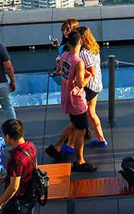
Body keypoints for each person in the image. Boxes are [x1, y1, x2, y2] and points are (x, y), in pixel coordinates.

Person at [44, 32, 98, 171]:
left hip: (66, 96)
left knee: (74, 124)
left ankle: (57, 146)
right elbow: (80, 84)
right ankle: (80, 161)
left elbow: (58, 70)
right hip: (77, 101)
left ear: (68, 43)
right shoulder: (79, 62)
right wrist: (89, 76)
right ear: (80, 43)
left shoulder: (64, 56)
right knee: (80, 130)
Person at [0, 119, 38, 214]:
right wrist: (7, 177)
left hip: (20, 199)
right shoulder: (31, 146)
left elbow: (14, 187)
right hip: (31, 193)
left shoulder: (16, 157)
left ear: (7, 136)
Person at [74, 27, 108, 147]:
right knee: (91, 112)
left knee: (77, 115)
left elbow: (91, 71)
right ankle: (100, 138)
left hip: (90, 86)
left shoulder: (85, 53)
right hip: (97, 84)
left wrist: (81, 82)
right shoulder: (94, 48)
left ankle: (71, 144)